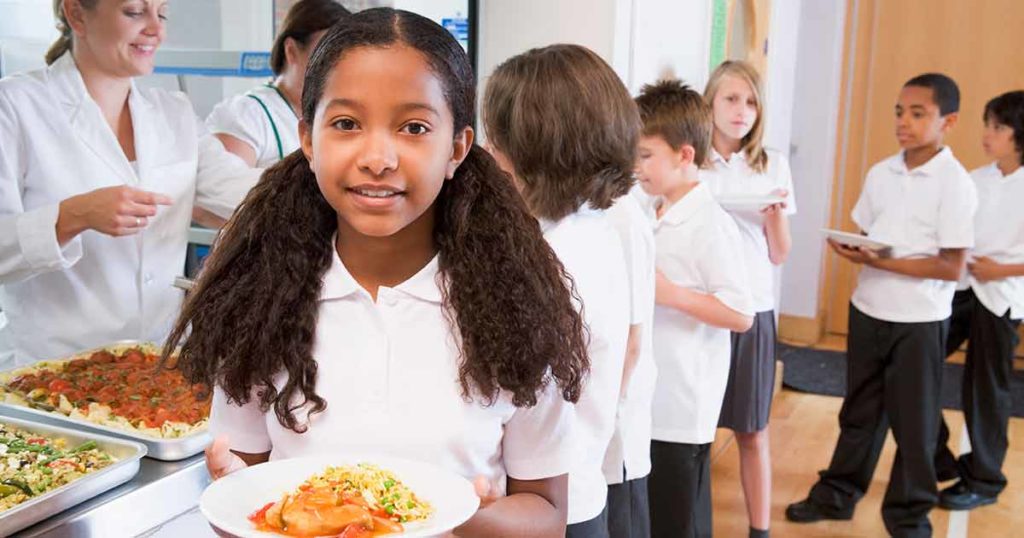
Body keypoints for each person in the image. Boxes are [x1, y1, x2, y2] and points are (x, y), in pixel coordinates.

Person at [169, 9, 588, 537]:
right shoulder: (258, 304)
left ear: (457, 147)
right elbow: (244, 493)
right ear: (308, 137)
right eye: (346, 124)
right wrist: (233, 501)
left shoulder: (516, 310)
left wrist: (470, 523)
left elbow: (548, 512)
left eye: (414, 127)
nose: (378, 157)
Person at [0, 0, 259, 365]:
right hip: (50, 367)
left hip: (158, 362)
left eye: (162, 12)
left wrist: (328, 169)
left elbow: (243, 191)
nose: (156, 29)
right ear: (76, 14)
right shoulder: (15, 106)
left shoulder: (174, 113)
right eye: (135, 12)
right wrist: (73, 216)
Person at [786, 73, 978, 538]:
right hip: (869, 309)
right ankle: (838, 494)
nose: (903, 122)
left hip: (919, 320)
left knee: (915, 426)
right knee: (859, 412)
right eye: (899, 111)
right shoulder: (881, 172)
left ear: (947, 121)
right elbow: (871, 237)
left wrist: (885, 263)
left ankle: (908, 515)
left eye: (918, 113)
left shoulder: (955, 183)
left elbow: (952, 268)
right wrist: (857, 251)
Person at [482, 44, 634, 537]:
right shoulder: (597, 229)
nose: (486, 154)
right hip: (578, 487)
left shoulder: (556, 258)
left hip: (546, 504)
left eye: (495, 141)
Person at [635, 79, 754, 538]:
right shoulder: (654, 212)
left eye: (645, 155)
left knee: (681, 518)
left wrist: (672, 295)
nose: (636, 166)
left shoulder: (710, 224)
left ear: (685, 156)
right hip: (654, 395)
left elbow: (741, 313)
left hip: (684, 404)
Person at [700, 60, 795, 538]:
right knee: (694, 430)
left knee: (753, 430)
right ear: (710, 103)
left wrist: (775, 213)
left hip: (753, 307)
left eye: (751, 102)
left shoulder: (771, 163)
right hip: (699, 309)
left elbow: (780, 252)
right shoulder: (690, 161)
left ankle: (760, 530)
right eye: (732, 99)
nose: (742, 111)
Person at [934, 90, 1024, 511]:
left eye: (998, 127)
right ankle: (936, 457)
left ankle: (985, 479)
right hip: (962, 289)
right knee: (917, 364)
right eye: (988, 124)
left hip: (1002, 296)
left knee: (985, 391)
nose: (988, 134)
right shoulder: (976, 178)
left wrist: (999, 271)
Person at [206, 0, 350, 168]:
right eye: (327, 54)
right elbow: (227, 188)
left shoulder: (340, 117)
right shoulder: (247, 116)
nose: (338, 68)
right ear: (291, 50)